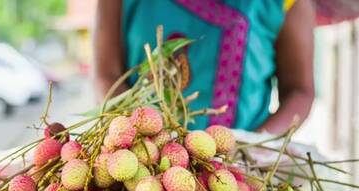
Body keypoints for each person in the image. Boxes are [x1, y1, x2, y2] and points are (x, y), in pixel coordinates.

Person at [94, 0, 315, 133]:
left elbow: (299, 90)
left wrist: (256, 146)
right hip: (146, 157)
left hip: (245, 169)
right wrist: (144, 136)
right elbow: (106, 76)